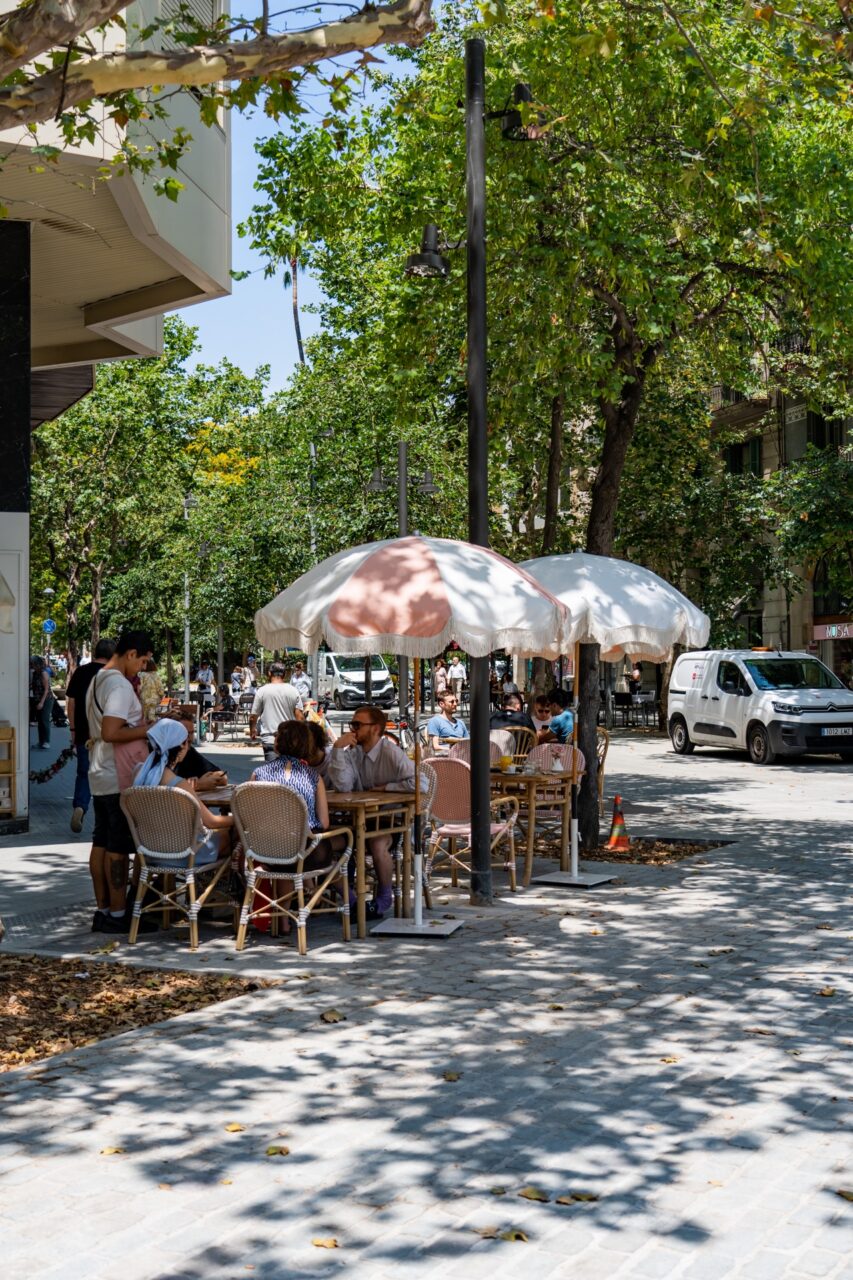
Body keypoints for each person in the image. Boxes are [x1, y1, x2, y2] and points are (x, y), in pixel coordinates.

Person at [85, 629, 157, 933]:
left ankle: (104, 910)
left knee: (101, 841)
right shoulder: (118, 686)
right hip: (117, 773)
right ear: (130, 654)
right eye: (142, 661)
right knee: (118, 846)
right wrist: (150, 729)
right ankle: (117, 913)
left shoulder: (98, 678)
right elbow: (113, 732)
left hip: (100, 771)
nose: (142, 667)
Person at [327, 705, 416, 920]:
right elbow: (344, 786)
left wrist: (387, 788)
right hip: (356, 821)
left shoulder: (390, 751)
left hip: (390, 821)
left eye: (358, 725)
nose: (353, 729)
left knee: (377, 843)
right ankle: (353, 900)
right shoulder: (353, 752)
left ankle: (385, 897)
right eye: (352, 724)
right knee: (321, 846)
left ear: (375, 728)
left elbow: (419, 783)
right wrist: (338, 749)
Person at [133, 719, 234, 864]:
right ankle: (223, 884)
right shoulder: (178, 784)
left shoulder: (138, 772)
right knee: (237, 834)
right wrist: (241, 818)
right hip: (184, 853)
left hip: (149, 850)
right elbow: (212, 821)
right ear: (183, 745)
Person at [65, 637, 115, 833]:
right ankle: (105, 819)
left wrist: (73, 729)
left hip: (84, 733)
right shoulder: (112, 676)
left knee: (84, 772)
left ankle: (80, 806)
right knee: (107, 775)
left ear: (95, 653)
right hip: (107, 734)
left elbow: (71, 704)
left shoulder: (81, 672)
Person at [250, 661, 304, 762]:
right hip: (290, 740)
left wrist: (252, 730)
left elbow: (253, 716)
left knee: (272, 774)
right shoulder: (293, 690)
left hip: (270, 740)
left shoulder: (262, 691)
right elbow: (300, 717)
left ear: (269, 673)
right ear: (284, 674)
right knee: (290, 773)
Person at [31, 656, 54, 750]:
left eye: (33, 664)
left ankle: (47, 741)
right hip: (38, 698)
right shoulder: (35, 673)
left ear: (37, 664)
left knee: (44, 720)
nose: (31, 665)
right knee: (40, 721)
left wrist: (41, 702)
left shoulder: (43, 673)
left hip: (46, 699)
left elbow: (46, 689)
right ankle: (41, 741)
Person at [138, 657, 165, 724]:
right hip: (155, 702)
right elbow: (161, 690)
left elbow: (139, 688)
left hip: (144, 702)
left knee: (143, 721)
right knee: (153, 721)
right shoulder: (156, 676)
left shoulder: (141, 675)